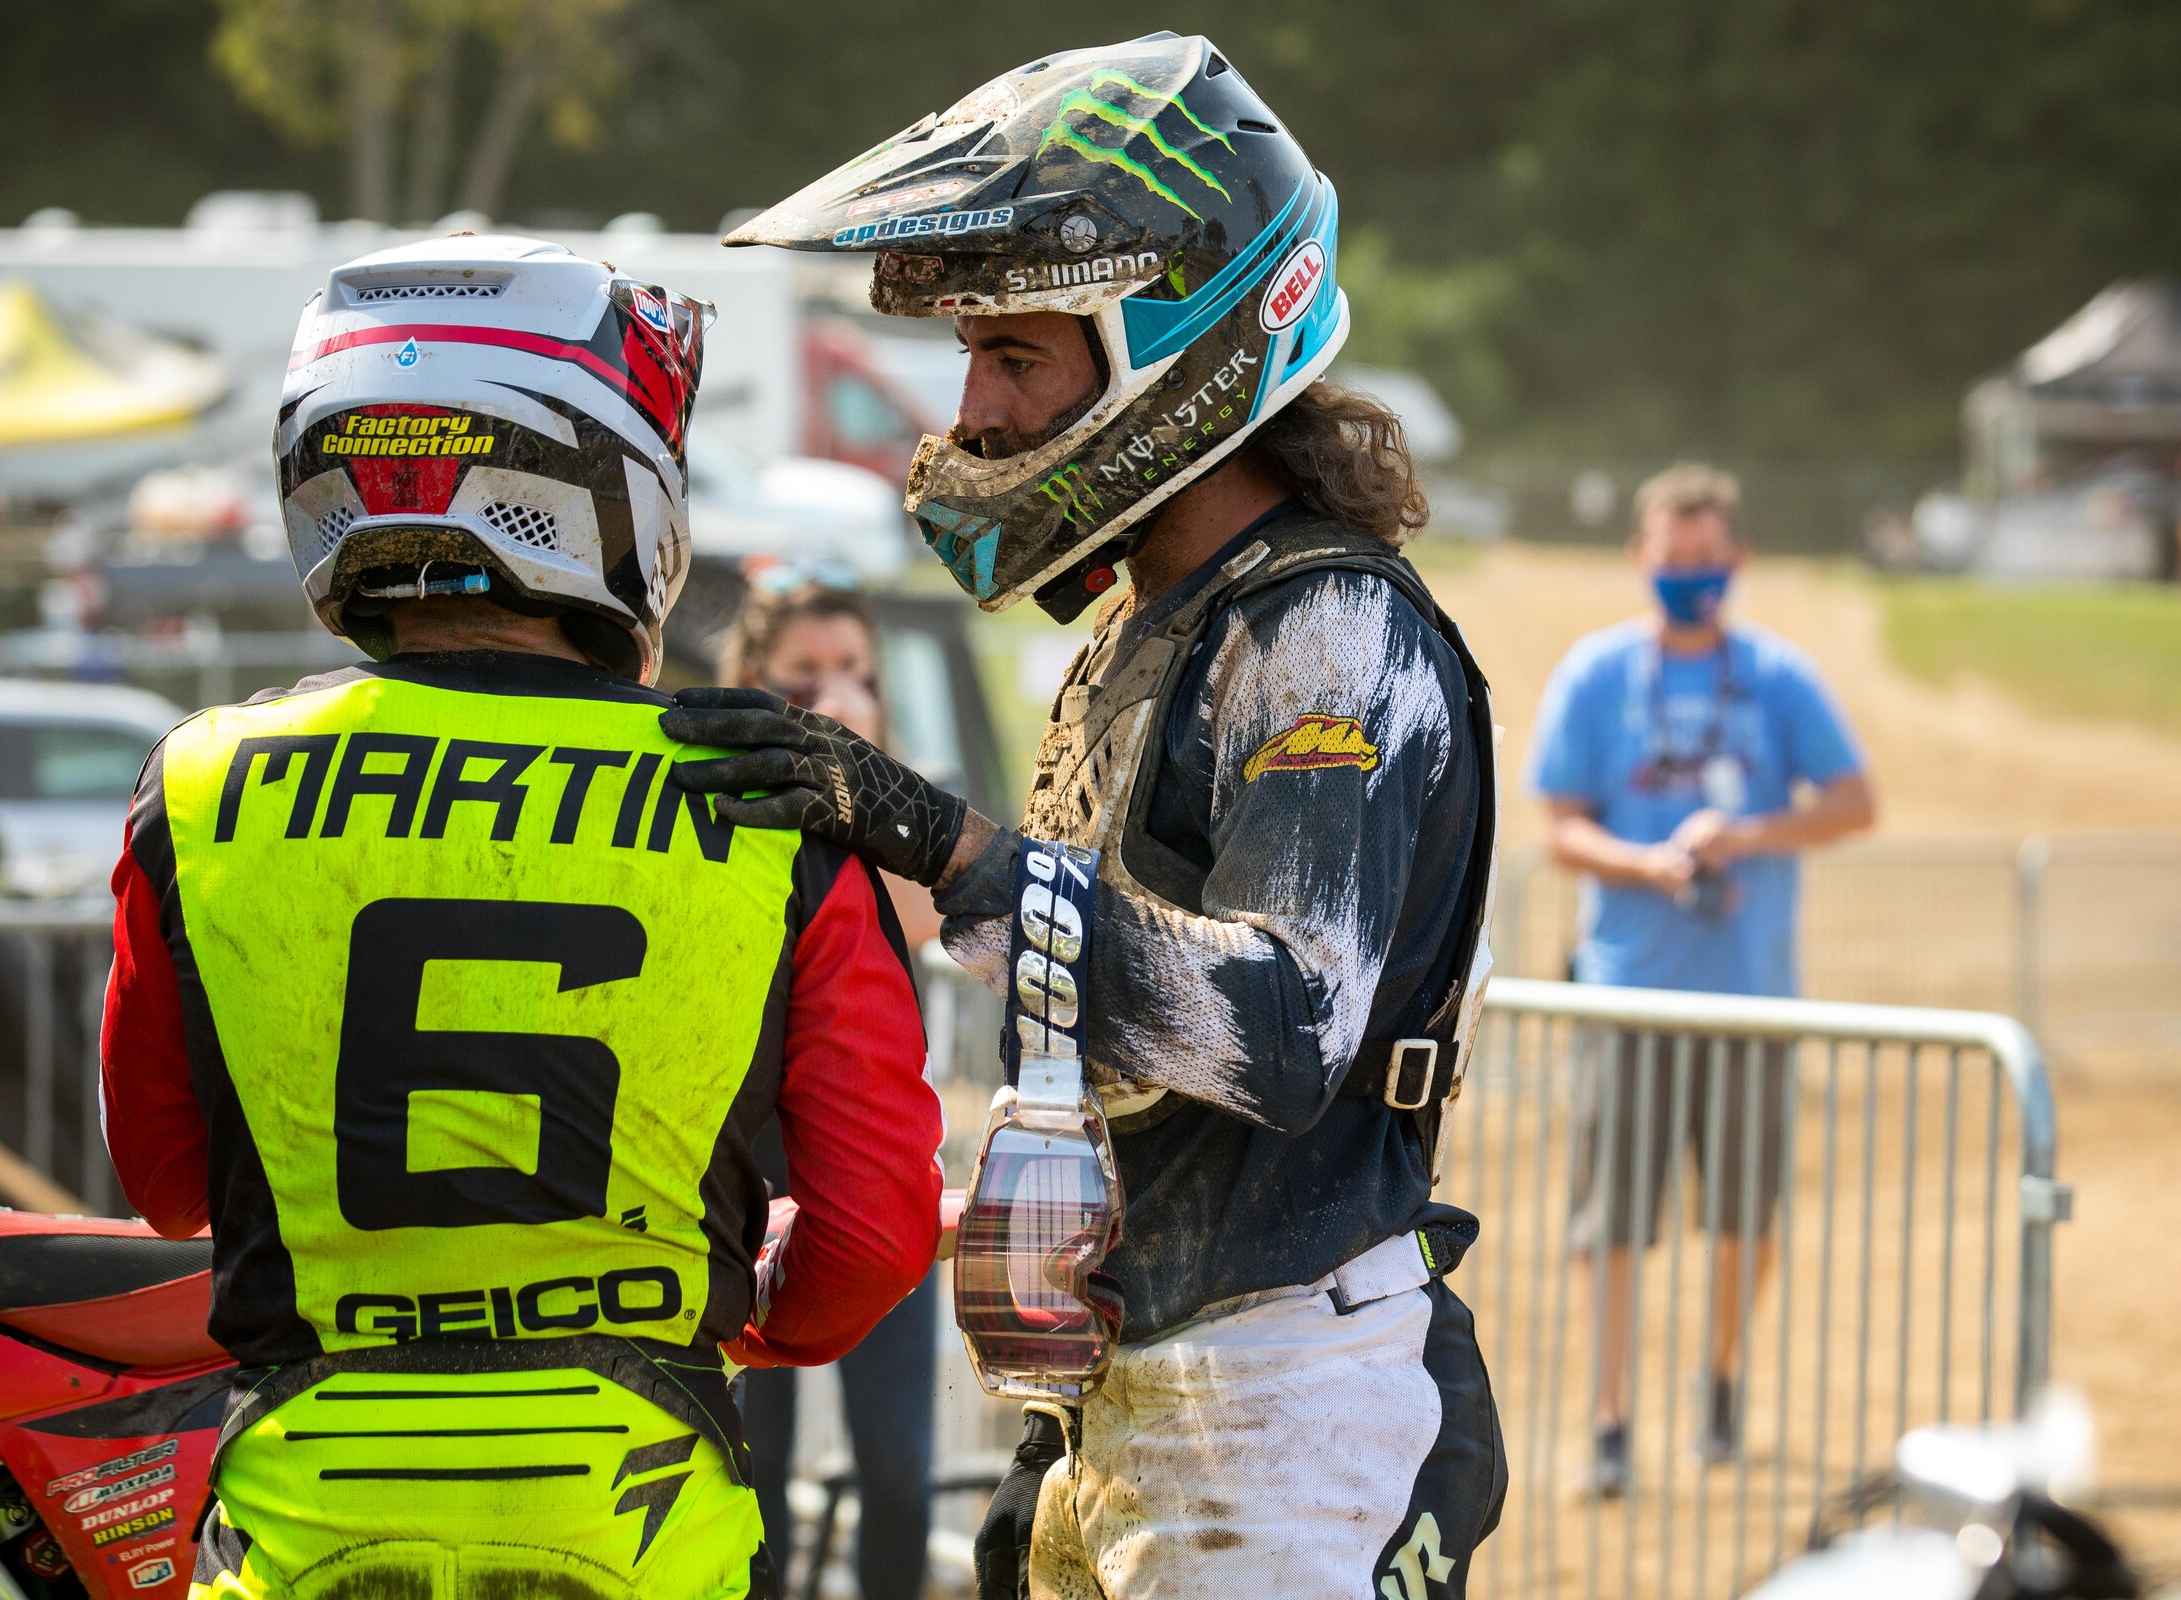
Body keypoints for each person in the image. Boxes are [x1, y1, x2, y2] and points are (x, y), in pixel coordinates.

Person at [663, 34, 1506, 1600]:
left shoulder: (1321, 632)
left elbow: (1281, 1032)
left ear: (1169, 350)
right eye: (974, 357)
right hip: (1130, 1377)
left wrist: (952, 848)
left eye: (1017, 358)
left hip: (1281, 1395)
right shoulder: (1147, 626)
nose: (970, 409)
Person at [96, 234, 943, 1600]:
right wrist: (713, 1325)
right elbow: (869, 1239)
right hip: (637, 1507)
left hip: (304, 1513)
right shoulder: (768, 802)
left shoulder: (195, 790)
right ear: (620, 491)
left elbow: (168, 1181)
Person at [1526, 463, 1876, 1494]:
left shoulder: (1780, 677)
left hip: (1750, 996)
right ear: (1643, 561)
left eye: (1706, 561)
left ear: (1738, 562)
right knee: (1612, 1220)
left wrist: (1748, 834)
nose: (1689, 577)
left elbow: (1855, 802)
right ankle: (1609, 1417)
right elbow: (1557, 825)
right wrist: (1650, 862)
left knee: (1742, 1212)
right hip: (1626, 992)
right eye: (1673, 562)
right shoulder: (1595, 677)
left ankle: (1719, 1383)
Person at [723, 576, 939, 1600]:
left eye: (854, 670)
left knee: (898, 1456)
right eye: (805, 675)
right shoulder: (717, 804)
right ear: (751, 681)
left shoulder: (908, 806)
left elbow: (924, 916)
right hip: (740, 1183)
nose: (835, 693)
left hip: (871, 1179)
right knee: (746, 1458)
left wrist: (863, 785)